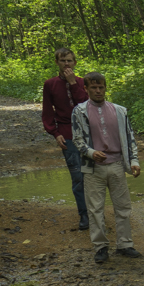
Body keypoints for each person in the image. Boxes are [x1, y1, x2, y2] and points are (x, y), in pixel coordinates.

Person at [71, 72, 142, 264]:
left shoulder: (119, 111)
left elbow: (129, 138)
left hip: (118, 164)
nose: (98, 91)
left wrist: (134, 161)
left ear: (105, 88)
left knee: (123, 206)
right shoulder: (80, 111)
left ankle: (125, 244)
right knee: (95, 209)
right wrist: (91, 152)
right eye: (93, 87)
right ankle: (100, 247)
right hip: (93, 168)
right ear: (85, 89)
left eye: (101, 87)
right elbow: (77, 139)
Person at [41, 47, 90, 230]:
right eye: (63, 61)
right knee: (77, 176)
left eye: (69, 60)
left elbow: (86, 105)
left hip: (88, 134)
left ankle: (96, 211)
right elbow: (47, 112)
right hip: (67, 135)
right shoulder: (50, 84)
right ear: (57, 63)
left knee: (94, 175)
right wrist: (55, 133)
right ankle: (84, 215)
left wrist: (73, 84)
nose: (66, 64)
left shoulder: (83, 82)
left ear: (75, 62)